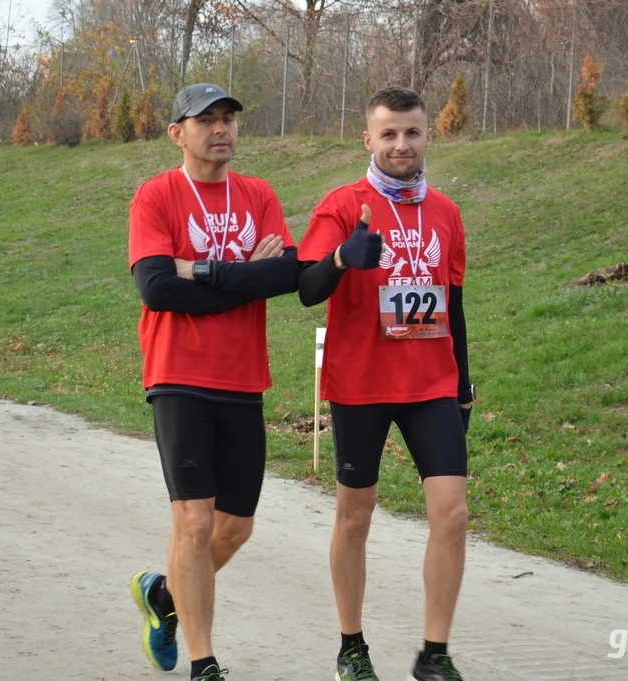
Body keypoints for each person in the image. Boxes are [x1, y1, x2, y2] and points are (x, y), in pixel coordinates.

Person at [298, 87, 474, 681]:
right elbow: (306, 289)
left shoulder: (446, 213)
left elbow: (453, 302)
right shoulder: (344, 204)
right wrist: (343, 259)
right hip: (362, 386)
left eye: (413, 132)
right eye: (389, 133)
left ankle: (435, 654)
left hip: (431, 385)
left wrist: (465, 387)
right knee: (356, 515)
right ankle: (352, 645)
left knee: (451, 514)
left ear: (429, 137)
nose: (402, 144)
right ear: (368, 139)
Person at [127, 83, 300, 681]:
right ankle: (206, 665)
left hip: (242, 379)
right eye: (207, 120)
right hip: (177, 377)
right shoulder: (156, 195)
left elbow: (284, 277)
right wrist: (240, 274)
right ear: (178, 132)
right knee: (194, 523)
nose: (222, 128)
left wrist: (199, 270)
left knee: (235, 527)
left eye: (229, 118)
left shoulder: (258, 195)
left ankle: (165, 596)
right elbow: (155, 288)